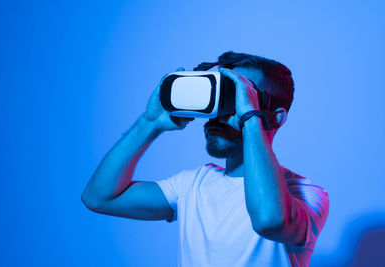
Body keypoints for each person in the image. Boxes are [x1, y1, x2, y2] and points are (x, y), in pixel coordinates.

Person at [81, 51, 329, 267]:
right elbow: (99, 197)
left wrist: (250, 118)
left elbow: (269, 220)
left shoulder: (307, 194)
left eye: (236, 98)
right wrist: (149, 123)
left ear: (275, 118)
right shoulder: (192, 185)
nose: (219, 115)